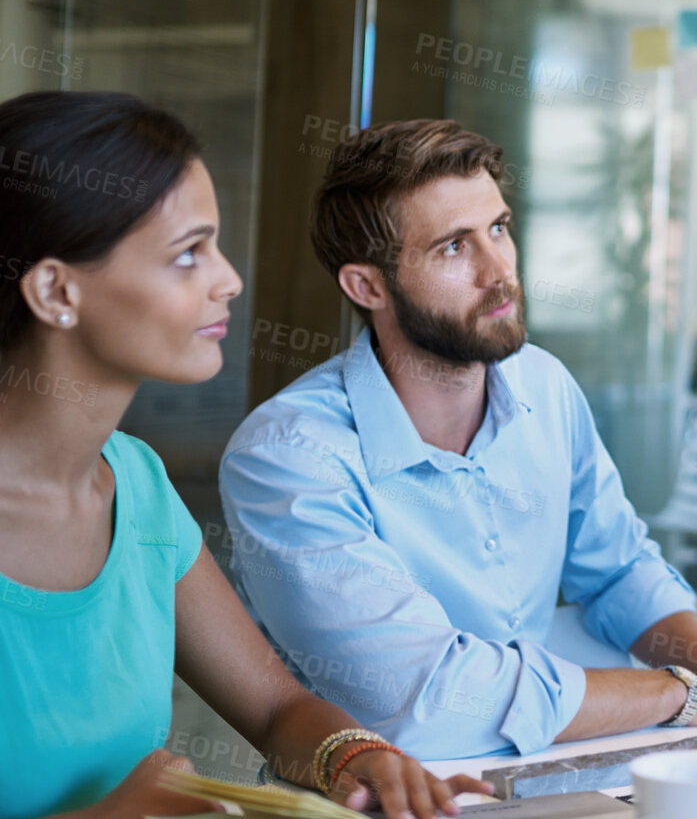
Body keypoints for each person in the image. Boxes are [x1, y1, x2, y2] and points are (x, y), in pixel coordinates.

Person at [218, 119, 697, 759]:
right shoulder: (288, 456)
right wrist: (672, 694)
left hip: (560, 761)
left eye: (498, 228)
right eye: (453, 247)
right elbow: (420, 698)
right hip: (397, 792)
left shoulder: (544, 386)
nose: (499, 271)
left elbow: (618, 571)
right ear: (367, 286)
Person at [0, 91, 486, 819]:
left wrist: (363, 758)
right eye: (188, 253)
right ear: (55, 289)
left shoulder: (136, 484)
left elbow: (275, 710)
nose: (228, 280)